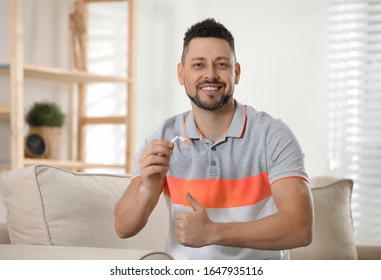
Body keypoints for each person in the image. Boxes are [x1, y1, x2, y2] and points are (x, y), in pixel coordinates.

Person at [114, 18, 313, 260]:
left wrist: (212, 232)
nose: (210, 75)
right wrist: (147, 186)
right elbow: (123, 228)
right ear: (181, 73)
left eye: (221, 65)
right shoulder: (163, 137)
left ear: (236, 72)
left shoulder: (272, 135)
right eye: (198, 65)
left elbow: (301, 228)